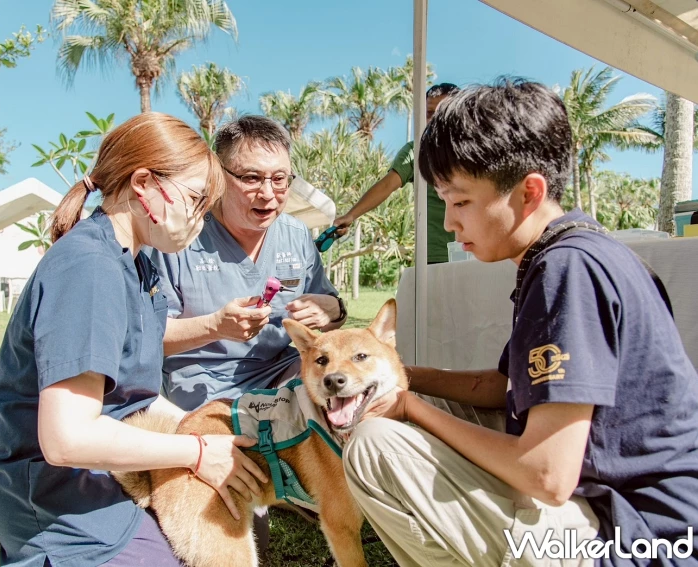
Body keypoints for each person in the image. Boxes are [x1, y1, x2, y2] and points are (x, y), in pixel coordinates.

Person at [344, 80, 698, 566]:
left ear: (529, 191)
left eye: (461, 201)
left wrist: (409, 407)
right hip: (621, 507)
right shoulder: (571, 251)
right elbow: (500, 388)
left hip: (638, 536)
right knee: (399, 409)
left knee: (374, 447)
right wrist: (403, 377)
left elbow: (547, 477)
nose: (449, 222)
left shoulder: (567, 270)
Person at [0, 113, 268, 567]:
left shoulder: (137, 263)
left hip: (110, 466)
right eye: (196, 200)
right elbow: (67, 439)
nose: (200, 219)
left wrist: (205, 430)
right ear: (144, 184)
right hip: (62, 495)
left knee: (235, 516)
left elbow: (137, 360)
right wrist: (196, 451)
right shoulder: (88, 268)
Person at [150, 115, 346, 413]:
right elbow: (150, 337)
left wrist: (335, 310)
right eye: (251, 178)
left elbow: (332, 314)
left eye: (279, 179)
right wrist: (215, 327)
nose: (268, 193)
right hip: (204, 385)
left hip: (282, 373)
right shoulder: (181, 236)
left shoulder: (296, 236)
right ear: (217, 173)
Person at [333, 83, 460, 264]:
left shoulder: (476, 151)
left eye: (443, 113)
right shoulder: (415, 151)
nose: (434, 120)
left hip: (472, 256)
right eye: (429, 113)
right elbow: (386, 185)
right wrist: (351, 215)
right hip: (431, 258)